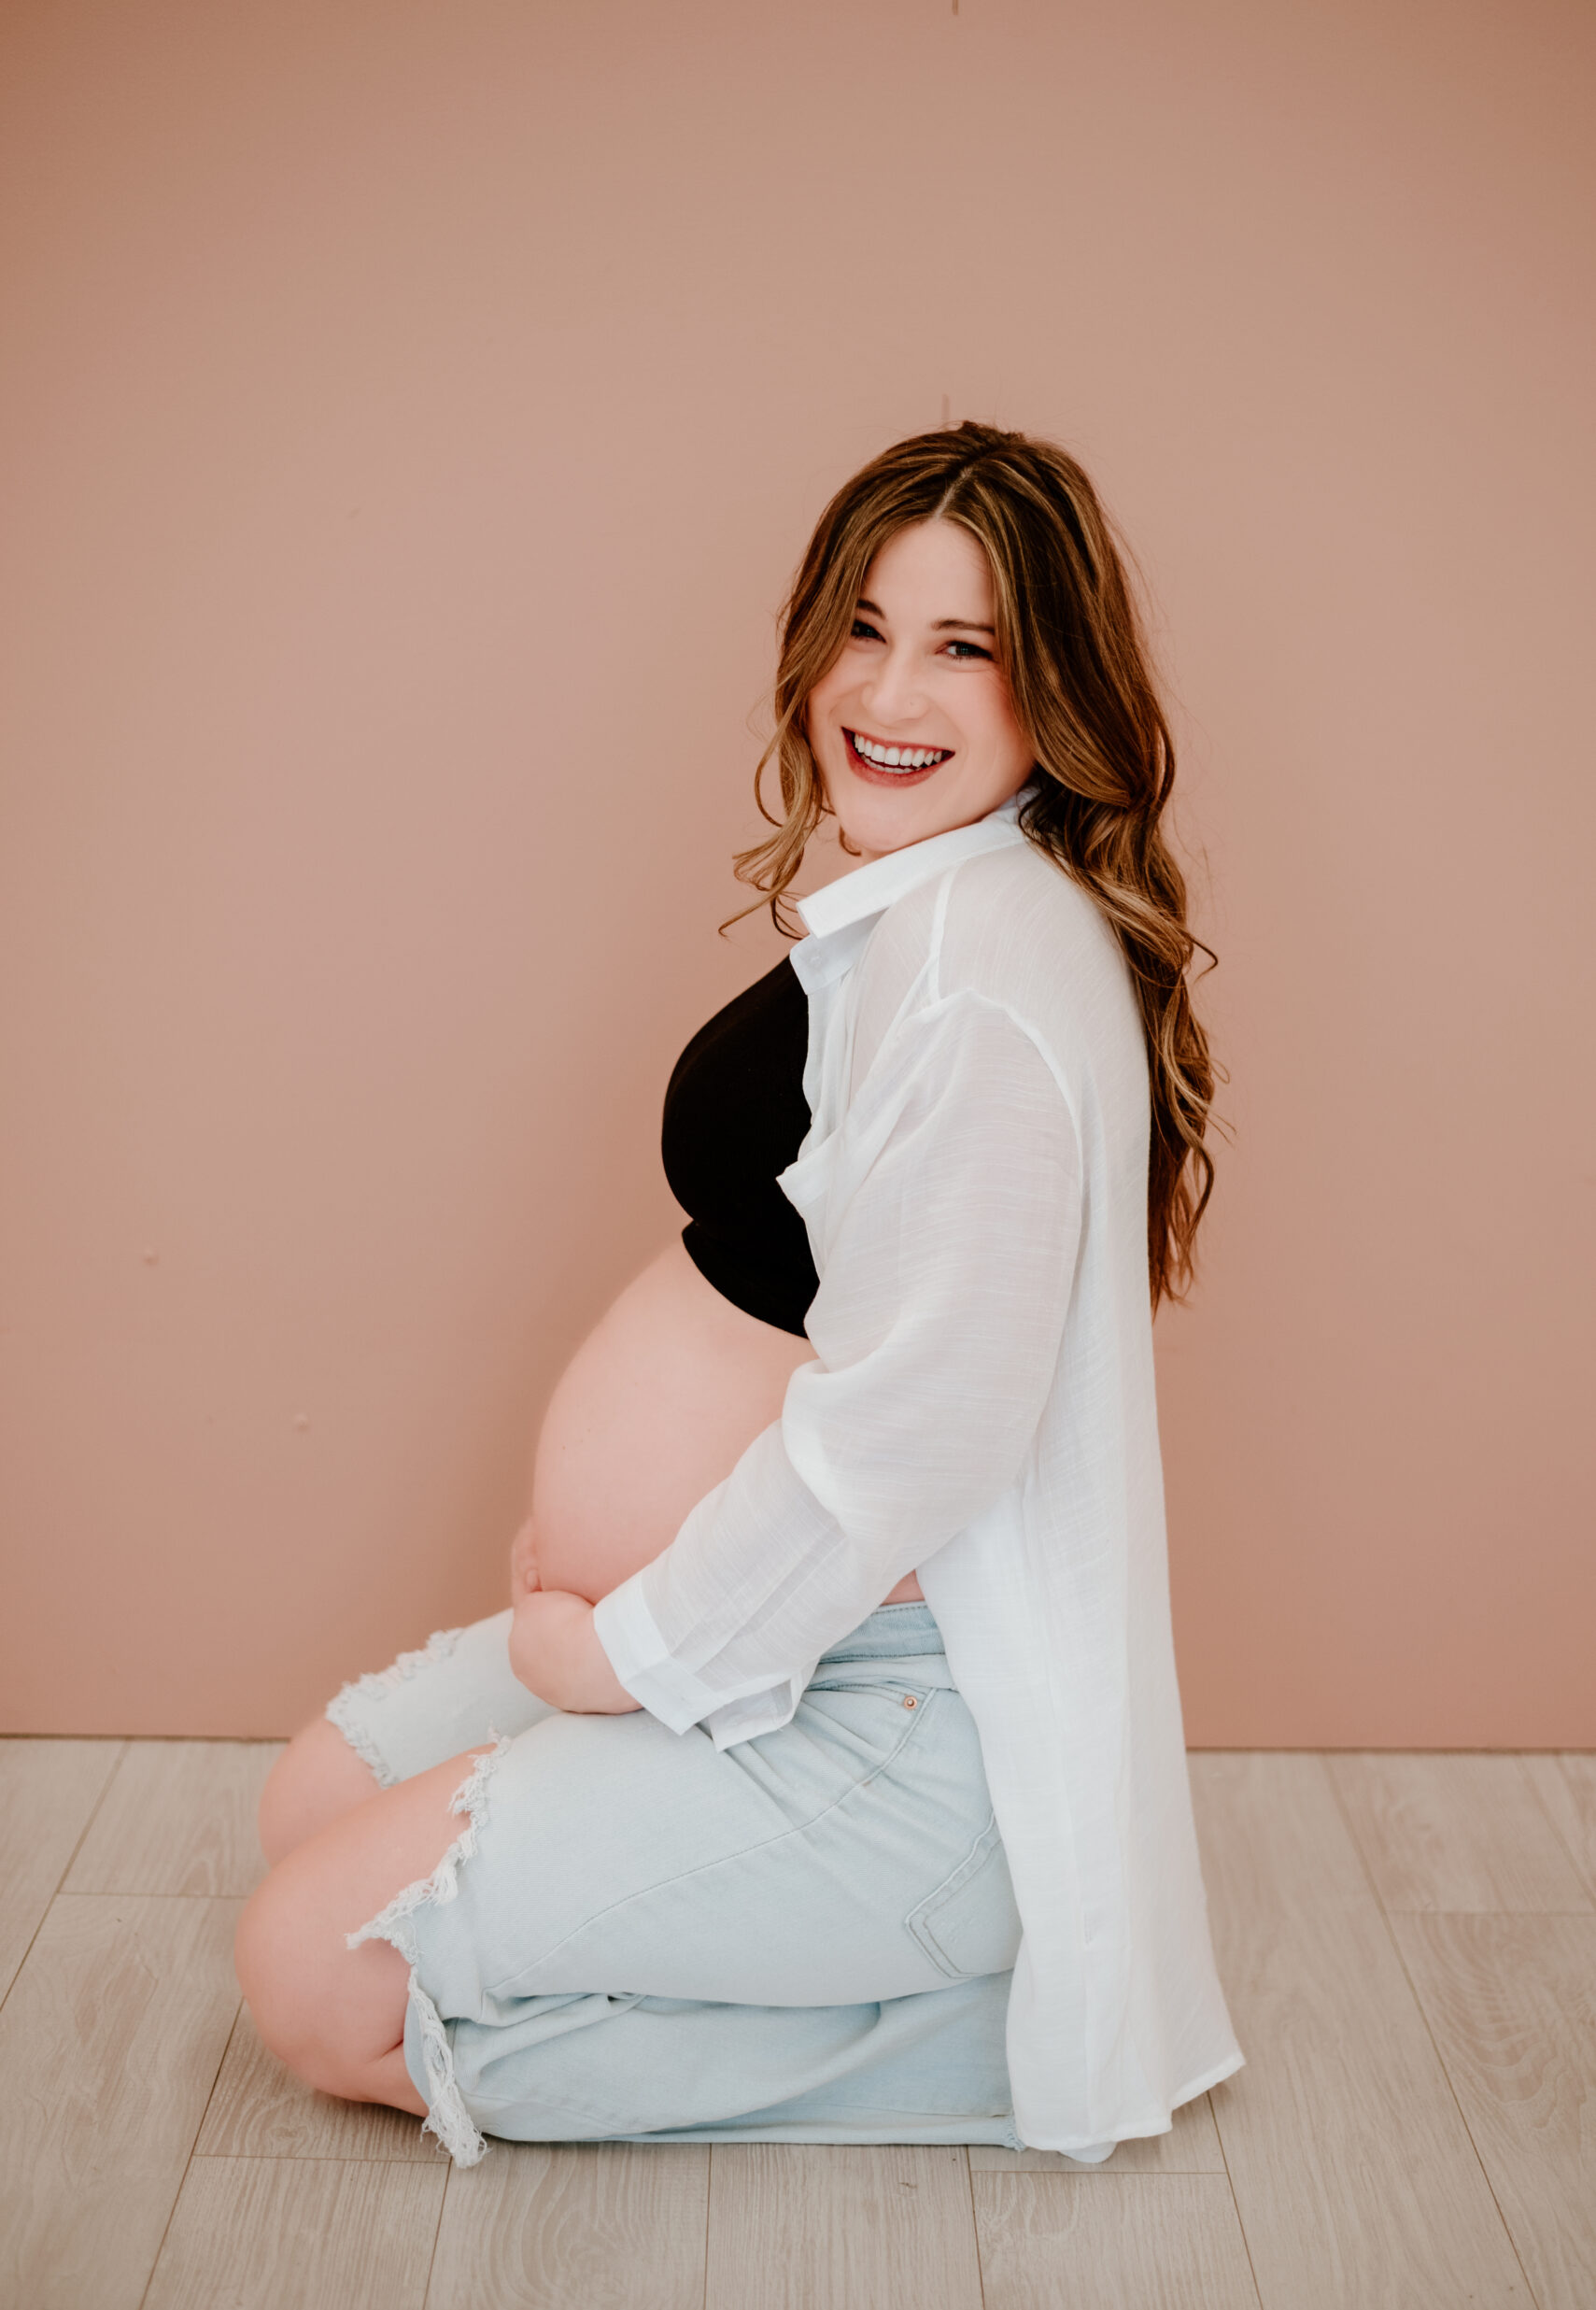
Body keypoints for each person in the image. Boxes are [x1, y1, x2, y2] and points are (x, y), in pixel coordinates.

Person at [237, 421, 1242, 2164]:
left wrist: (623, 1651)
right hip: (788, 1646)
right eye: (863, 626)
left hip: (884, 1724)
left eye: (961, 646)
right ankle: (829, 1960)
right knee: (311, 1808)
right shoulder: (935, 901)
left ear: (1053, 686)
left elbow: (918, 1437)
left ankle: (978, 2036)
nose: (888, 692)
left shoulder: (988, 978)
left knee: (312, 1983)